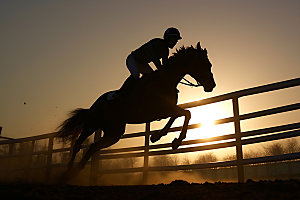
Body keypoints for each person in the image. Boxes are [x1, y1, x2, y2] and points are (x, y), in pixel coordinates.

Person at [113, 27, 182, 100]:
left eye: (176, 40)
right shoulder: (157, 42)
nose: (175, 42)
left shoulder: (166, 51)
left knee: (152, 77)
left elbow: (165, 65)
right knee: (136, 75)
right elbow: (154, 58)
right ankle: (119, 93)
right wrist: (161, 70)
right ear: (168, 38)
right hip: (133, 59)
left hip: (143, 64)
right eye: (174, 40)